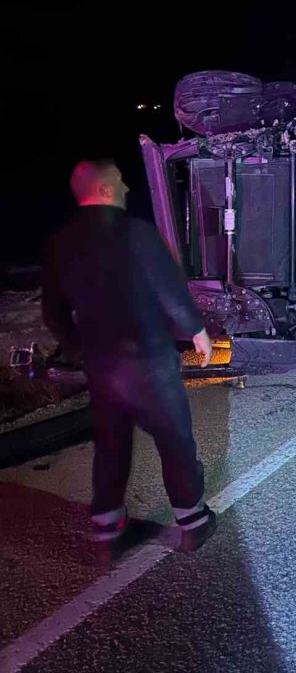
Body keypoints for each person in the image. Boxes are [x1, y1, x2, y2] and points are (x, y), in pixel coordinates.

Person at [42, 159, 217, 559]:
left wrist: (79, 350)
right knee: (173, 439)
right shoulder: (137, 233)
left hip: (102, 364)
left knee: (110, 443)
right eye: (119, 183)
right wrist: (197, 330)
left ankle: (107, 530)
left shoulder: (60, 242)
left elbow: (52, 312)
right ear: (104, 190)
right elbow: (169, 290)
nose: (125, 189)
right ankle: (192, 522)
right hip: (150, 359)